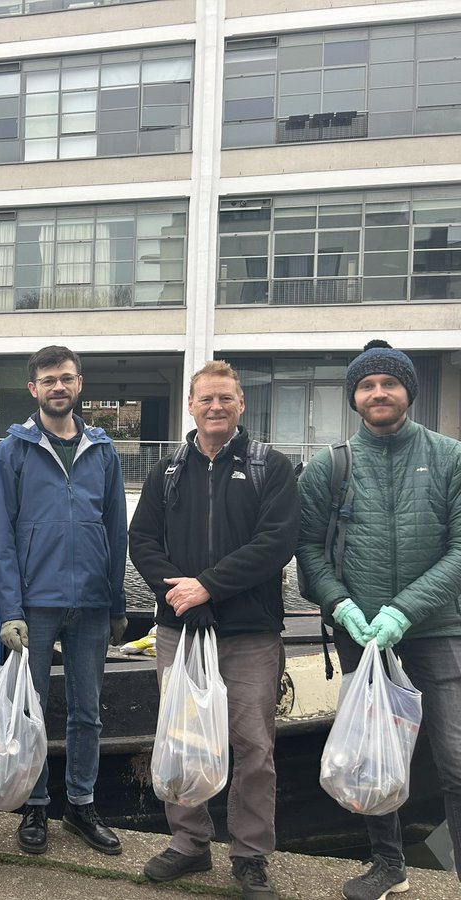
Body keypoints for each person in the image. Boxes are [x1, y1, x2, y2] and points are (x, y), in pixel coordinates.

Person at [298, 339, 461, 899]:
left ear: (408, 392)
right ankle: (389, 865)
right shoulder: (331, 465)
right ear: (354, 398)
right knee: (373, 760)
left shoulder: (450, 457)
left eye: (389, 383)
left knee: (457, 760)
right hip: (362, 637)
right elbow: (309, 549)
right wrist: (340, 604)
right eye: (367, 385)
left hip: (437, 631)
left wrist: (405, 609)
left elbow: (460, 549)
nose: (379, 393)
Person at [129, 360, 298, 900]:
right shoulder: (168, 470)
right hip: (181, 630)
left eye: (226, 398)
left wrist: (208, 588)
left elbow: (275, 544)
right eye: (207, 399)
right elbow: (143, 541)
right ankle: (189, 842)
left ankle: (249, 856)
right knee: (180, 737)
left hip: (249, 632)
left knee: (253, 746)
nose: (216, 407)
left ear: (241, 403)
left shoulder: (270, 466)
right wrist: (179, 595)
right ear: (191, 406)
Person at [0, 345, 128, 857]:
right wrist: (10, 611)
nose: (58, 387)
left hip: (91, 603)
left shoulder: (103, 450)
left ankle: (81, 804)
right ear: (33, 389)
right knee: (31, 710)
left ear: (80, 384)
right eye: (48, 380)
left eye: (66, 378)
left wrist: (116, 604)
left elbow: (116, 530)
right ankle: (35, 804)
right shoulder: (13, 451)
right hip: (36, 604)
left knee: (88, 712)